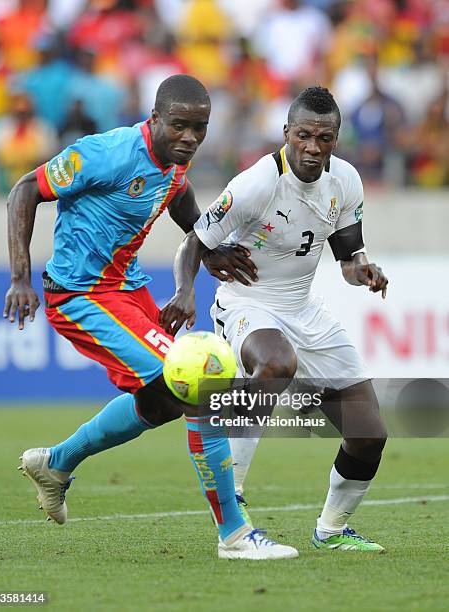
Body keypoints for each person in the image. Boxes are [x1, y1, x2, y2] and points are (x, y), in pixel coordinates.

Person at [4, 74, 297, 561]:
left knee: (162, 403)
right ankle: (235, 533)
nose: (190, 138)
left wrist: (209, 248)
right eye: (179, 126)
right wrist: (19, 277)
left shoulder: (174, 162)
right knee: (200, 383)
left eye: (199, 128)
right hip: (82, 294)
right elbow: (22, 192)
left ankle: (56, 464)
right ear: (154, 118)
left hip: (128, 290)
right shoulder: (103, 153)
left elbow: (179, 197)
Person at [160, 86, 389, 553]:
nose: (312, 147)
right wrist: (185, 292)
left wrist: (361, 268)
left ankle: (331, 530)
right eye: (303, 135)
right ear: (286, 133)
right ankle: (232, 498)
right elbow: (194, 244)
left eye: (324, 138)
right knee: (275, 365)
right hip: (248, 303)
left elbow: (347, 255)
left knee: (369, 434)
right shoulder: (257, 182)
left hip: (304, 309)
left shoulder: (345, 181)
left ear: (336, 139)